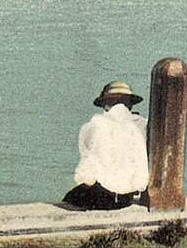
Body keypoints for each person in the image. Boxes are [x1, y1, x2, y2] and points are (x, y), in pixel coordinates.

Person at [62, 81, 149, 210]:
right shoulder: (142, 124)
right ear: (130, 105)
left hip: (106, 197)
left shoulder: (96, 125)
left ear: (105, 104)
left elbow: (86, 176)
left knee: (71, 197)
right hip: (129, 197)